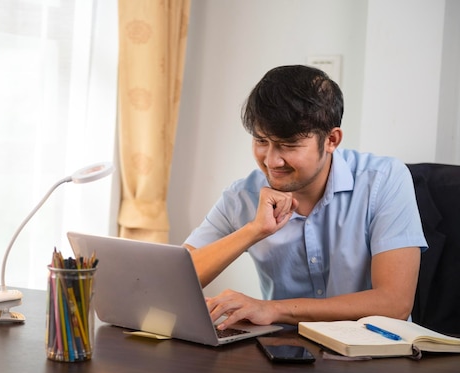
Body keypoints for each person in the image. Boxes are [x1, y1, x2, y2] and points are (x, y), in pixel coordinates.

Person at [183, 65, 428, 330]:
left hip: (374, 352)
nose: (272, 160)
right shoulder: (242, 195)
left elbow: (395, 303)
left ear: (331, 140)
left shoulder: (384, 179)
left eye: (288, 145)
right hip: (283, 356)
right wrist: (254, 230)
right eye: (261, 141)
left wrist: (272, 309)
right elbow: (173, 280)